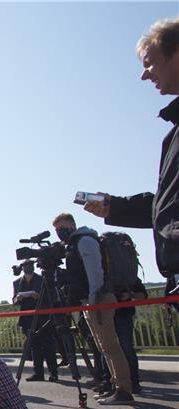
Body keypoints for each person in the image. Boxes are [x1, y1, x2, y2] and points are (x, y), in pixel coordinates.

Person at [83, 17, 179, 302]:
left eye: (149, 62)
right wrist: (116, 208)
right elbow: (168, 208)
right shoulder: (171, 136)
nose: (144, 75)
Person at [53, 213, 134, 405]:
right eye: (57, 229)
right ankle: (116, 386)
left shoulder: (85, 241)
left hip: (98, 299)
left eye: (62, 227)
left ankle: (124, 389)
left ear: (72, 225)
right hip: (91, 300)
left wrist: (93, 301)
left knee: (110, 346)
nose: (59, 232)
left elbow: (95, 273)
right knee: (103, 346)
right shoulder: (75, 243)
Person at [12, 260, 58, 382]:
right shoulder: (17, 282)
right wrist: (18, 298)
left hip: (42, 316)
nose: (28, 267)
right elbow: (14, 300)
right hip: (27, 317)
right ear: (22, 268)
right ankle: (38, 373)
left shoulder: (41, 279)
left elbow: (50, 296)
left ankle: (53, 373)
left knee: (48, 345)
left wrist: (38, 296)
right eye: (26, 265)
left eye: (30, 265)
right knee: (34, 346)